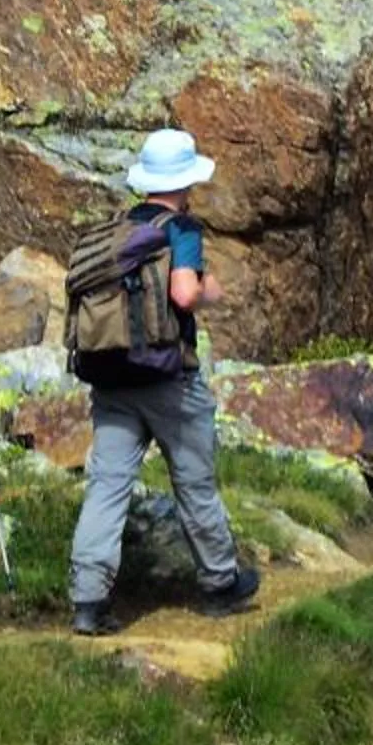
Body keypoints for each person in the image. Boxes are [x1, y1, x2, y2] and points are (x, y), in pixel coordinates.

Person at [67, 128, 258, 638]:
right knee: (193, 480)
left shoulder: (119, 229)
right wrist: (209, 292)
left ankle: (88, 601)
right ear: (185, 180)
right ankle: (220, 583)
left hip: (112, 376)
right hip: (170, 378)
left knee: (107, 487)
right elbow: (182, 294)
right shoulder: (182, 229)